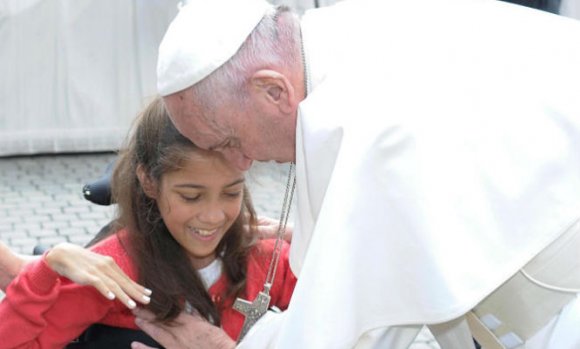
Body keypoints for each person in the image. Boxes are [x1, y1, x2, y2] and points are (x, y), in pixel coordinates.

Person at [131, 0, 580, 348]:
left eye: (228, 140)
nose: (240, 162)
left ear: (272, 89)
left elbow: (351, 331)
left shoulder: (371, 125)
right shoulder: (339, 43)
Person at [0, 96, 296, 348]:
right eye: (191, 196)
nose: (214, 215)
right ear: (149, 182)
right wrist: (46, 270)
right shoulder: (113, 272)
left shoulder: (270, 261)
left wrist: (314, 247)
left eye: (232, 193)